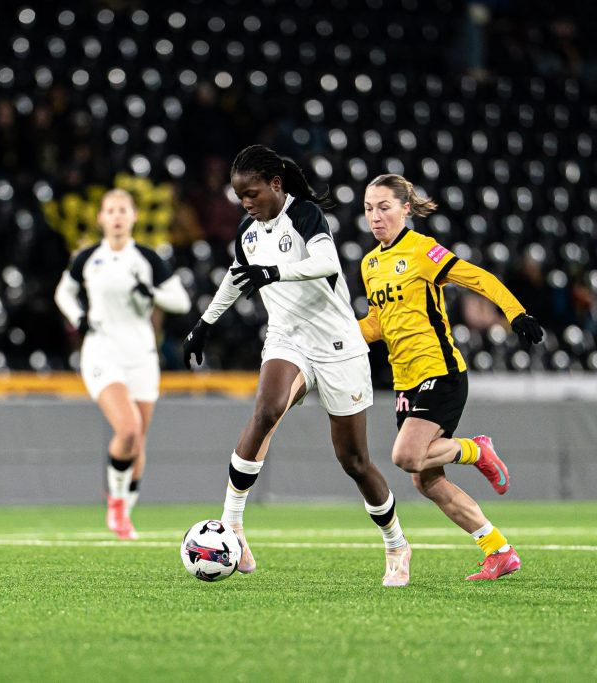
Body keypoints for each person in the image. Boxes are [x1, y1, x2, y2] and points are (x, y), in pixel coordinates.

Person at [182, 145, 413, 587]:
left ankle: (396, 543)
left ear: (275, 184)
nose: (245, 203)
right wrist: (204, 323)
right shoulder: (249, 232)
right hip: (288, 339)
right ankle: (232, 525)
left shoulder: (305, 215)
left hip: (338, 346)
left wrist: (274, 272)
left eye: (251, 193)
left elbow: (327, 262)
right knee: (265, 411)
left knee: (354, 460)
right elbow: (236, 275)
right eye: (239, 196)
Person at [358, 174, 544, 581]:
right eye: (369, 208)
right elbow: (377, 324)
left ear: (405, 209)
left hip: (440, 372)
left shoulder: (422, 250)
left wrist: (515, 313)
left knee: (406, 456)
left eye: (384, 207)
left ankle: (475, 450)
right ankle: (499, 550)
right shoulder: (370, 264)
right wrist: (335, 337)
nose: (375, 216)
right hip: (405, 381)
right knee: (425, 480)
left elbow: (479, 278)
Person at [55, 189, 190, 540]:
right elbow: (63, 292)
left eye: (123, 210)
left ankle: (125, 513)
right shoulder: (88, 258)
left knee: (138, 441)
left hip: (141, 355)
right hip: (102, 351)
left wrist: (152, 293)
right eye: (111, 210)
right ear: (101, 217)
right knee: (128, 429)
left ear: (133, 217)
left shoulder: (147, 258)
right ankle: (115, 502)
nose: (116, 216)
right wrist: (78, 317)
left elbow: (181, 301)